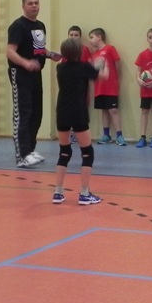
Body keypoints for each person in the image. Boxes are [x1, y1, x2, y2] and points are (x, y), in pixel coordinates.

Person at [6, 0, 60, 168]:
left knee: (36, 113)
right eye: (30, 3)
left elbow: (39, 48)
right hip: (20, 74)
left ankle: (30, 150)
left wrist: (51, 54)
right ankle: (21, 155)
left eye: (36, 3)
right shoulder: (18, 26)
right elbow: (10, 51)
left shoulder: (39, 25)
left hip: (36, 74)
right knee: (23, 113)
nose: (34, 6)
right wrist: (25, 63)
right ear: (23, 6)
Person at [53, 38, 105, 205]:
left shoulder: (60, 68)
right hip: (78, 113)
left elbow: (64, 62)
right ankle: (84, 193)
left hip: (62, 112)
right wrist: (101, 65)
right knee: (87, 152)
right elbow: (103, 76)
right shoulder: (84, 67)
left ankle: (58, 192)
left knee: (64, 152)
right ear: (80, 52)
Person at [88, 28, 125, 145]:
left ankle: (119, 135)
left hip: (110, 86)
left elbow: (117, 64)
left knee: (113, 110)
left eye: (92, 37)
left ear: (99, 37)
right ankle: (106, 135)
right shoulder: (94, 54)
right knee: (104, 111)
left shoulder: (109, 49)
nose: (90, 40)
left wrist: (116, 79)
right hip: (99, 88)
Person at [65, 26, 91, 144]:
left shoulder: (85, 50)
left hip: (81, 84)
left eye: (76, 35)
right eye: (71, 35)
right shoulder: (66, 50)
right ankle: (70, 132)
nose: (73, 37)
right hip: (69, 84)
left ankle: (79, 132)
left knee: (81, 108)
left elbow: (88, 65)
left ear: (80, 37)